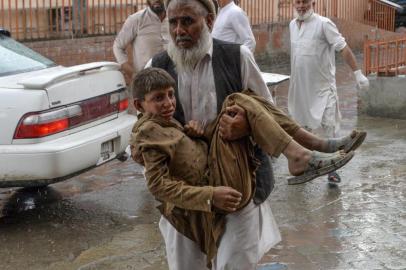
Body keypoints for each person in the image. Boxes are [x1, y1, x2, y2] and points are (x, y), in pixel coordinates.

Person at [148, 0, 366, 268]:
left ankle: (306, 149)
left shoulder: (236, 56)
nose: (179, 30)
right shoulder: (157, 66)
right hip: (186, 193)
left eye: (187, 21)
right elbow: (148, 133)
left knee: (235, 264)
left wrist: (245, 126)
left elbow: (267, 112)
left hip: (237, 183)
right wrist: (189, 134)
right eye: (173, 22)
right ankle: (306, 150)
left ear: (209, 21)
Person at [130, 67, 354, 268]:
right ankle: (305, 151)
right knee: (239, 100)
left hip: (216, 170)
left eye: (170, 95)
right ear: (139, 105)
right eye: (158, 98)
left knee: (244, 98)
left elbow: (182, 154)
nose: (168, 103)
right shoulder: (149, 132)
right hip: (216, 183)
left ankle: (309, 147)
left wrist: (195, 134)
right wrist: (209, 196)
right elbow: (157, 185)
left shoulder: (163, 122)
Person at [288, 0, 369, 184]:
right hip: (300, 87)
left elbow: (344, 48)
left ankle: (334, 170)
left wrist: (357, 74)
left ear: (313, 3)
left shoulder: (324, 24)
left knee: (329, 127)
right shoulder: (292, 25)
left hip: (323, 87)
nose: (301, 6)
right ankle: (303, 165)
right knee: (300, 128)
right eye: (298, 2)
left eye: (305, 2)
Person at [113, 0, 169, 83]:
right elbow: (118, 47)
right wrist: (133, 75)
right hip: (147, 83)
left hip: (173, 80)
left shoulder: (174, 20)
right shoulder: (136, 19)